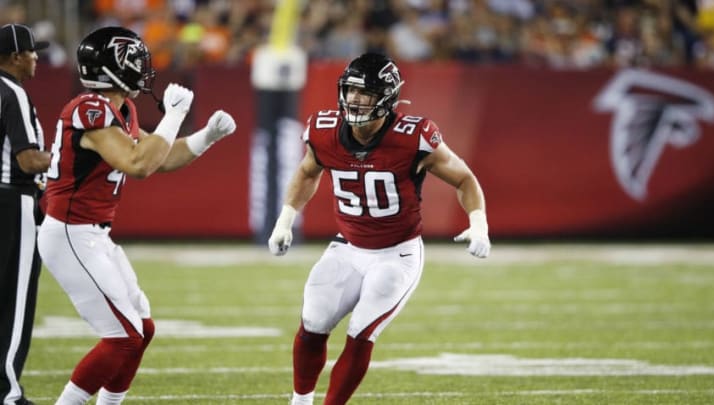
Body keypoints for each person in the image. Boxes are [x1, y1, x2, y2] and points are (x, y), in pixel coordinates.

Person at [268, 52, 491, 405]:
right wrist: (285, 220)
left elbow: (464, 178)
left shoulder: (413, 136)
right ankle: (300, 401)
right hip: (348, 247)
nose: (354, 99)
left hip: (396, 255)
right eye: (351, 90)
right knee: (312, 325)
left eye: (365, 93)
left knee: (360, 334)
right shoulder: (325, 131)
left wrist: (478, 223)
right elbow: (308, 171)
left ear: (386, 98)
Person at [36, 26, 236, 405]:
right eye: (135, 61)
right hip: (70, 233)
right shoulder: (88, 108)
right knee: (122, 338)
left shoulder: (120, 108)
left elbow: (160, 157)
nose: (143, 68)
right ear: (113, 66)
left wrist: (206, 136)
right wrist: (174, 115)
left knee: (141, 330)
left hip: (93, 235)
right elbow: (138, 164)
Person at [0, 23, 51, 405]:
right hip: (13, 201)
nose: (37, 58)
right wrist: (68, 156)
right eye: (32, 51)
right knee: (14, 303)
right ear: (16, 56)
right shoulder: (13, 92)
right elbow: (28, 159)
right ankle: (8, 393)